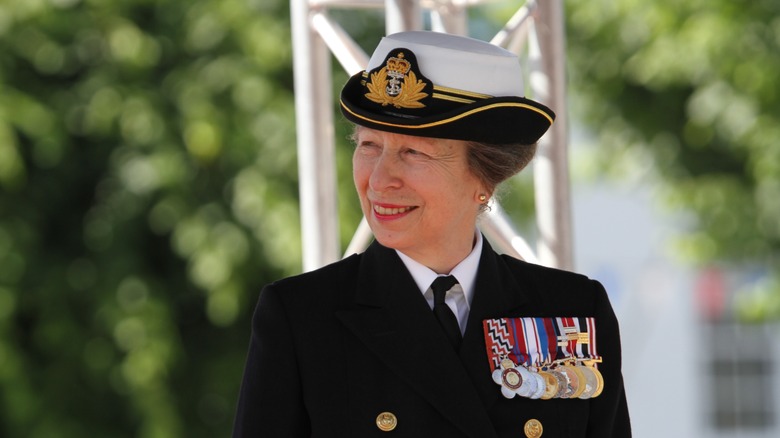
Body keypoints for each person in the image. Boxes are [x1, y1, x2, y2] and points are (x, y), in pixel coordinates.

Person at [233, 31, 631, 437]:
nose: (380, 179)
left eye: (413, 152)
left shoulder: (574, 308)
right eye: (369, 145)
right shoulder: (302, 317)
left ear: (484, 177)